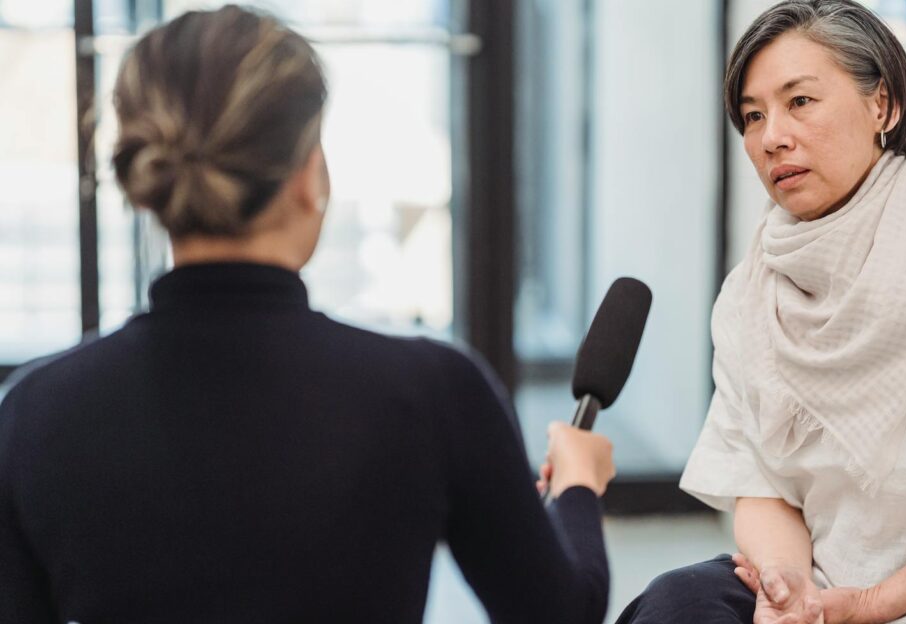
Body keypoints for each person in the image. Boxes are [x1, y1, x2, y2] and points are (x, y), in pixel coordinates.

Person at [0, 6, 614, 623]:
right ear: (306, 175)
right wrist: (578, 488)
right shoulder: (434, 392)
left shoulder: (33, 412)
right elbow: (562, 614)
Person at [616, 1, 906, 623]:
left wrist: (874, 603)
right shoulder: (751, 290)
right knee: (673, 605)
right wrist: (787, 588)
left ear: (883, 107)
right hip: (820, 588)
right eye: (753, 116)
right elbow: (760, 484)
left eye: (800, 101)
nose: (771, 136)